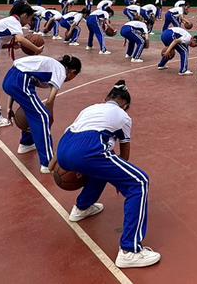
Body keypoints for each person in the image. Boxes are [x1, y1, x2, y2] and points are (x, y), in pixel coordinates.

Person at [55, 81, 160, 269]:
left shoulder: (90, 108)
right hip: (88, 149)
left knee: (102, 168)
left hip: (64, 148)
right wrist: (119, 179)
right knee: (139, 182)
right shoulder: (123, 116)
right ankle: (130, 251)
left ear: (106, 99)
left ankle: (82, 207)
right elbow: (125, 155)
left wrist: (55, 163)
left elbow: (69, 132)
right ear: (126, 105)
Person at [3, 54, 81, 172]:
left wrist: (9, 107)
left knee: (33, 112)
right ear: (73, 72)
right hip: (20, 81)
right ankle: (47, 162)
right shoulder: (61, 70)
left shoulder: (51, 65)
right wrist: (50, 116)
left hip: (10, 79)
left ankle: (26, 143)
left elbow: (18, 74)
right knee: (42, 117)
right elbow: (50, 99)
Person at [0, 4, 43, 128]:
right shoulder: (14, 21)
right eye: (29, 19)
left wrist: (10, 45)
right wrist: (36, 49)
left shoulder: (10, 21)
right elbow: (20, 39)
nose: (28, 23)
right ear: (24, 15)